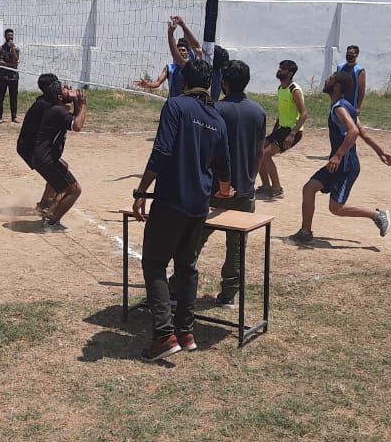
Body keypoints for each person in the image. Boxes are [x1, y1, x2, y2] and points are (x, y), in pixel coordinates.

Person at [132, 59, 232, 361]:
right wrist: (223, 190)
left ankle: (164, 337)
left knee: (154, 264)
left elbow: (161, 151)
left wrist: (141, 190)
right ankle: (186, 332)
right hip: (199, 205)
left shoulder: (175, 106)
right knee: (187, 267)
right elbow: (224, 169)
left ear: (184, 83)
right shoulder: (216, 117)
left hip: (172, 199)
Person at [172, 60, 266, 308]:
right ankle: (229, 294)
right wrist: (250, 177)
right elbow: (259, 152)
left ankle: (177, 286)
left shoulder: (215, 109)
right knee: (236, 246)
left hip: (213, 189)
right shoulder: (258, 112)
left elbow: (207, 149)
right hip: (245, 190)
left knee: (193, 239)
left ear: (224, 82)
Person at [287, 70, 391, 245]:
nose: (326, 80)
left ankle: (377, 215)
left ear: (336, 86)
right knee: (309, 188)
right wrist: (380, 152)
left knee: (336, 208)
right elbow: (364, 134)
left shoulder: (340, 108)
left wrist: (337, 156)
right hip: (337, 164)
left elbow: (354, 132)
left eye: (330, 79)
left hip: (345, 166)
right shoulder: (344, 105)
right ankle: (305, 233)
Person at [29, 76, 87, 231]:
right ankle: (51, 221)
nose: (68, 88)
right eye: (64, 89)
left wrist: (74, 100)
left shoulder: (56, 108)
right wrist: (82, 104)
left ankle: (47, 210)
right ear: (60, 97)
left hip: (43, 157)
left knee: (63, 185)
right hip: (45, 159)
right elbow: (78, 125)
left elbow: (73, 118)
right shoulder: (57, 111)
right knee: (74, 190)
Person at [256, 60, 308, 199]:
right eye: (279, 67)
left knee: (266, 155)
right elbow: (282, 113)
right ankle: (266, 185)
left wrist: (292, 135)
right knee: (258, 152)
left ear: (290, 73)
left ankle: (277, 188)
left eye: (283, 68)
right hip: (281, 130)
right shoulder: (281, 88)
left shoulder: (294, 89)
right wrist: (274, 132)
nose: (279, 70)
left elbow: (304, 115)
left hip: (293, 131)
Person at [18, 73, 61, 215]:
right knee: (57, 173)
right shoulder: (44, 105)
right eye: (57, 84)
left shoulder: (47, 101)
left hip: (32, 146)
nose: (60, 87)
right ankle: (44, 205)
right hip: (28, 147)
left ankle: (45, 203)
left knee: (59, 170)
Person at [136, 16, 204, 98]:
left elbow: (194, 44)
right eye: (178, 50)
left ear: (188, 53)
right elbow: (157, 83)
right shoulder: (169, 68)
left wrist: (182, 26)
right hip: (173, 104)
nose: (180, 52)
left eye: (183, 50)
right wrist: (147, 84)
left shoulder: (191, 65)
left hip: (187, 104)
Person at [0, 28, 20, 123]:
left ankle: (14, 117)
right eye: (8, 35)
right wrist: (11, 65)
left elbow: (16, 61)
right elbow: (0, 62)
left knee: (13, 97)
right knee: (0, 97)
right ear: (5, 36)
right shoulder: (1, 48)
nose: (10, 37)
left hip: (13, 77)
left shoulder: (16, 49)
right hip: (3, 76)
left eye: (11, 35)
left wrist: (13, 49)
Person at [336, 44, 367, 119]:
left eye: (351, 53)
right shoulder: (340, 67)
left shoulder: (359, 70)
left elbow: (361, 89)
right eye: (347, 53)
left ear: (356, 55)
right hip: (340, 101)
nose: (349, 55)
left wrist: (358, 107)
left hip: (352, 103)